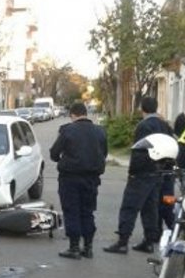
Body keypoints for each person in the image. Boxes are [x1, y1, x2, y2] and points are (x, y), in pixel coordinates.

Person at [104, 96, 173, 255]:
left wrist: (132, 172)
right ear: (156, 107)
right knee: (150, 208)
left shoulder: (144, 126)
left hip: (142, 172)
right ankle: (149, 241)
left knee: (130, 207)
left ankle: (123, 241)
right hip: (158, 172)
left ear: (142, 108)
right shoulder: (164, 125)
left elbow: (139, 151)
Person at [50, 102, 108, 259]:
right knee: (87, 212)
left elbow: (54, 154)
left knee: (71, 211)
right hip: (91, 179)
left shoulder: (67, 130)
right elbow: (104, 153)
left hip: (70, 178)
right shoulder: (100, 131)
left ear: (73, 115)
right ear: (85, 113)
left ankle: (74, 247)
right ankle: (88, 247)